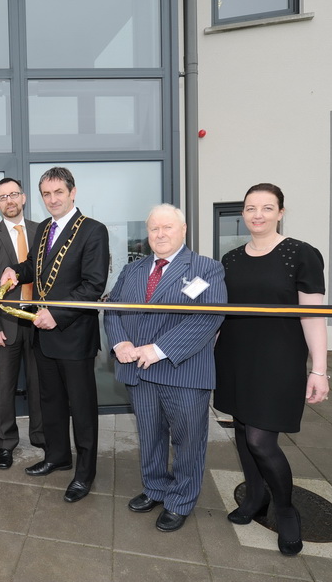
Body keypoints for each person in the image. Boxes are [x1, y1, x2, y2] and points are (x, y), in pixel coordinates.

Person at [214, 183, 329, 556]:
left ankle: (286, 509)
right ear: (243, 214)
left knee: (262, 440)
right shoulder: (229, 260)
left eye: (267, 207)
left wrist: (320, 370)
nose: (258, 214)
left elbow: (313, 316)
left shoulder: (301, 255)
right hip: (235, 356)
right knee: (244, 430)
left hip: (279, 361)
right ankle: (254, 499)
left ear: (281, 212)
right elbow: (220, 314)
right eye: (250, 208)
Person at [104, 204, 226, 532]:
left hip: (181, 371)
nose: (160, 234)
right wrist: (120, 344)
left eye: (167, 227)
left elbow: (208, 317)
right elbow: (111, 309)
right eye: (154, 228)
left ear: (183, 230)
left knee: (188, 441)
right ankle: (155, 488)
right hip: (139, 373)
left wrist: (158, 350)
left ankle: (180, 500)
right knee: (150, 435)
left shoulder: (205, 269)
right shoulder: (133, 270)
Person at [1, 166, 109, 503]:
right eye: (46, 194)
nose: (52, 200)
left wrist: (57, 314)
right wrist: (15, 271)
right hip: (43, 335)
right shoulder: (44, 228)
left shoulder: (93, 230)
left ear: (72, 192)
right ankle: (58, 456)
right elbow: (35, 265)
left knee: (82, 406)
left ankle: (85, 472)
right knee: (51, 402)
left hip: (73, 335)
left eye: (58, 193)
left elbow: (93, 285)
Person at [0, 178, 44, 470]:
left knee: (41, 385)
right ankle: (6, 443)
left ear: (24, 197)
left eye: (13, 194)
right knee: (4, 387)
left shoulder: (41, 231)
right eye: (2, 197)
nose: (9, 200)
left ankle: (42, 438)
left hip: (39, 321)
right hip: (6, 323)